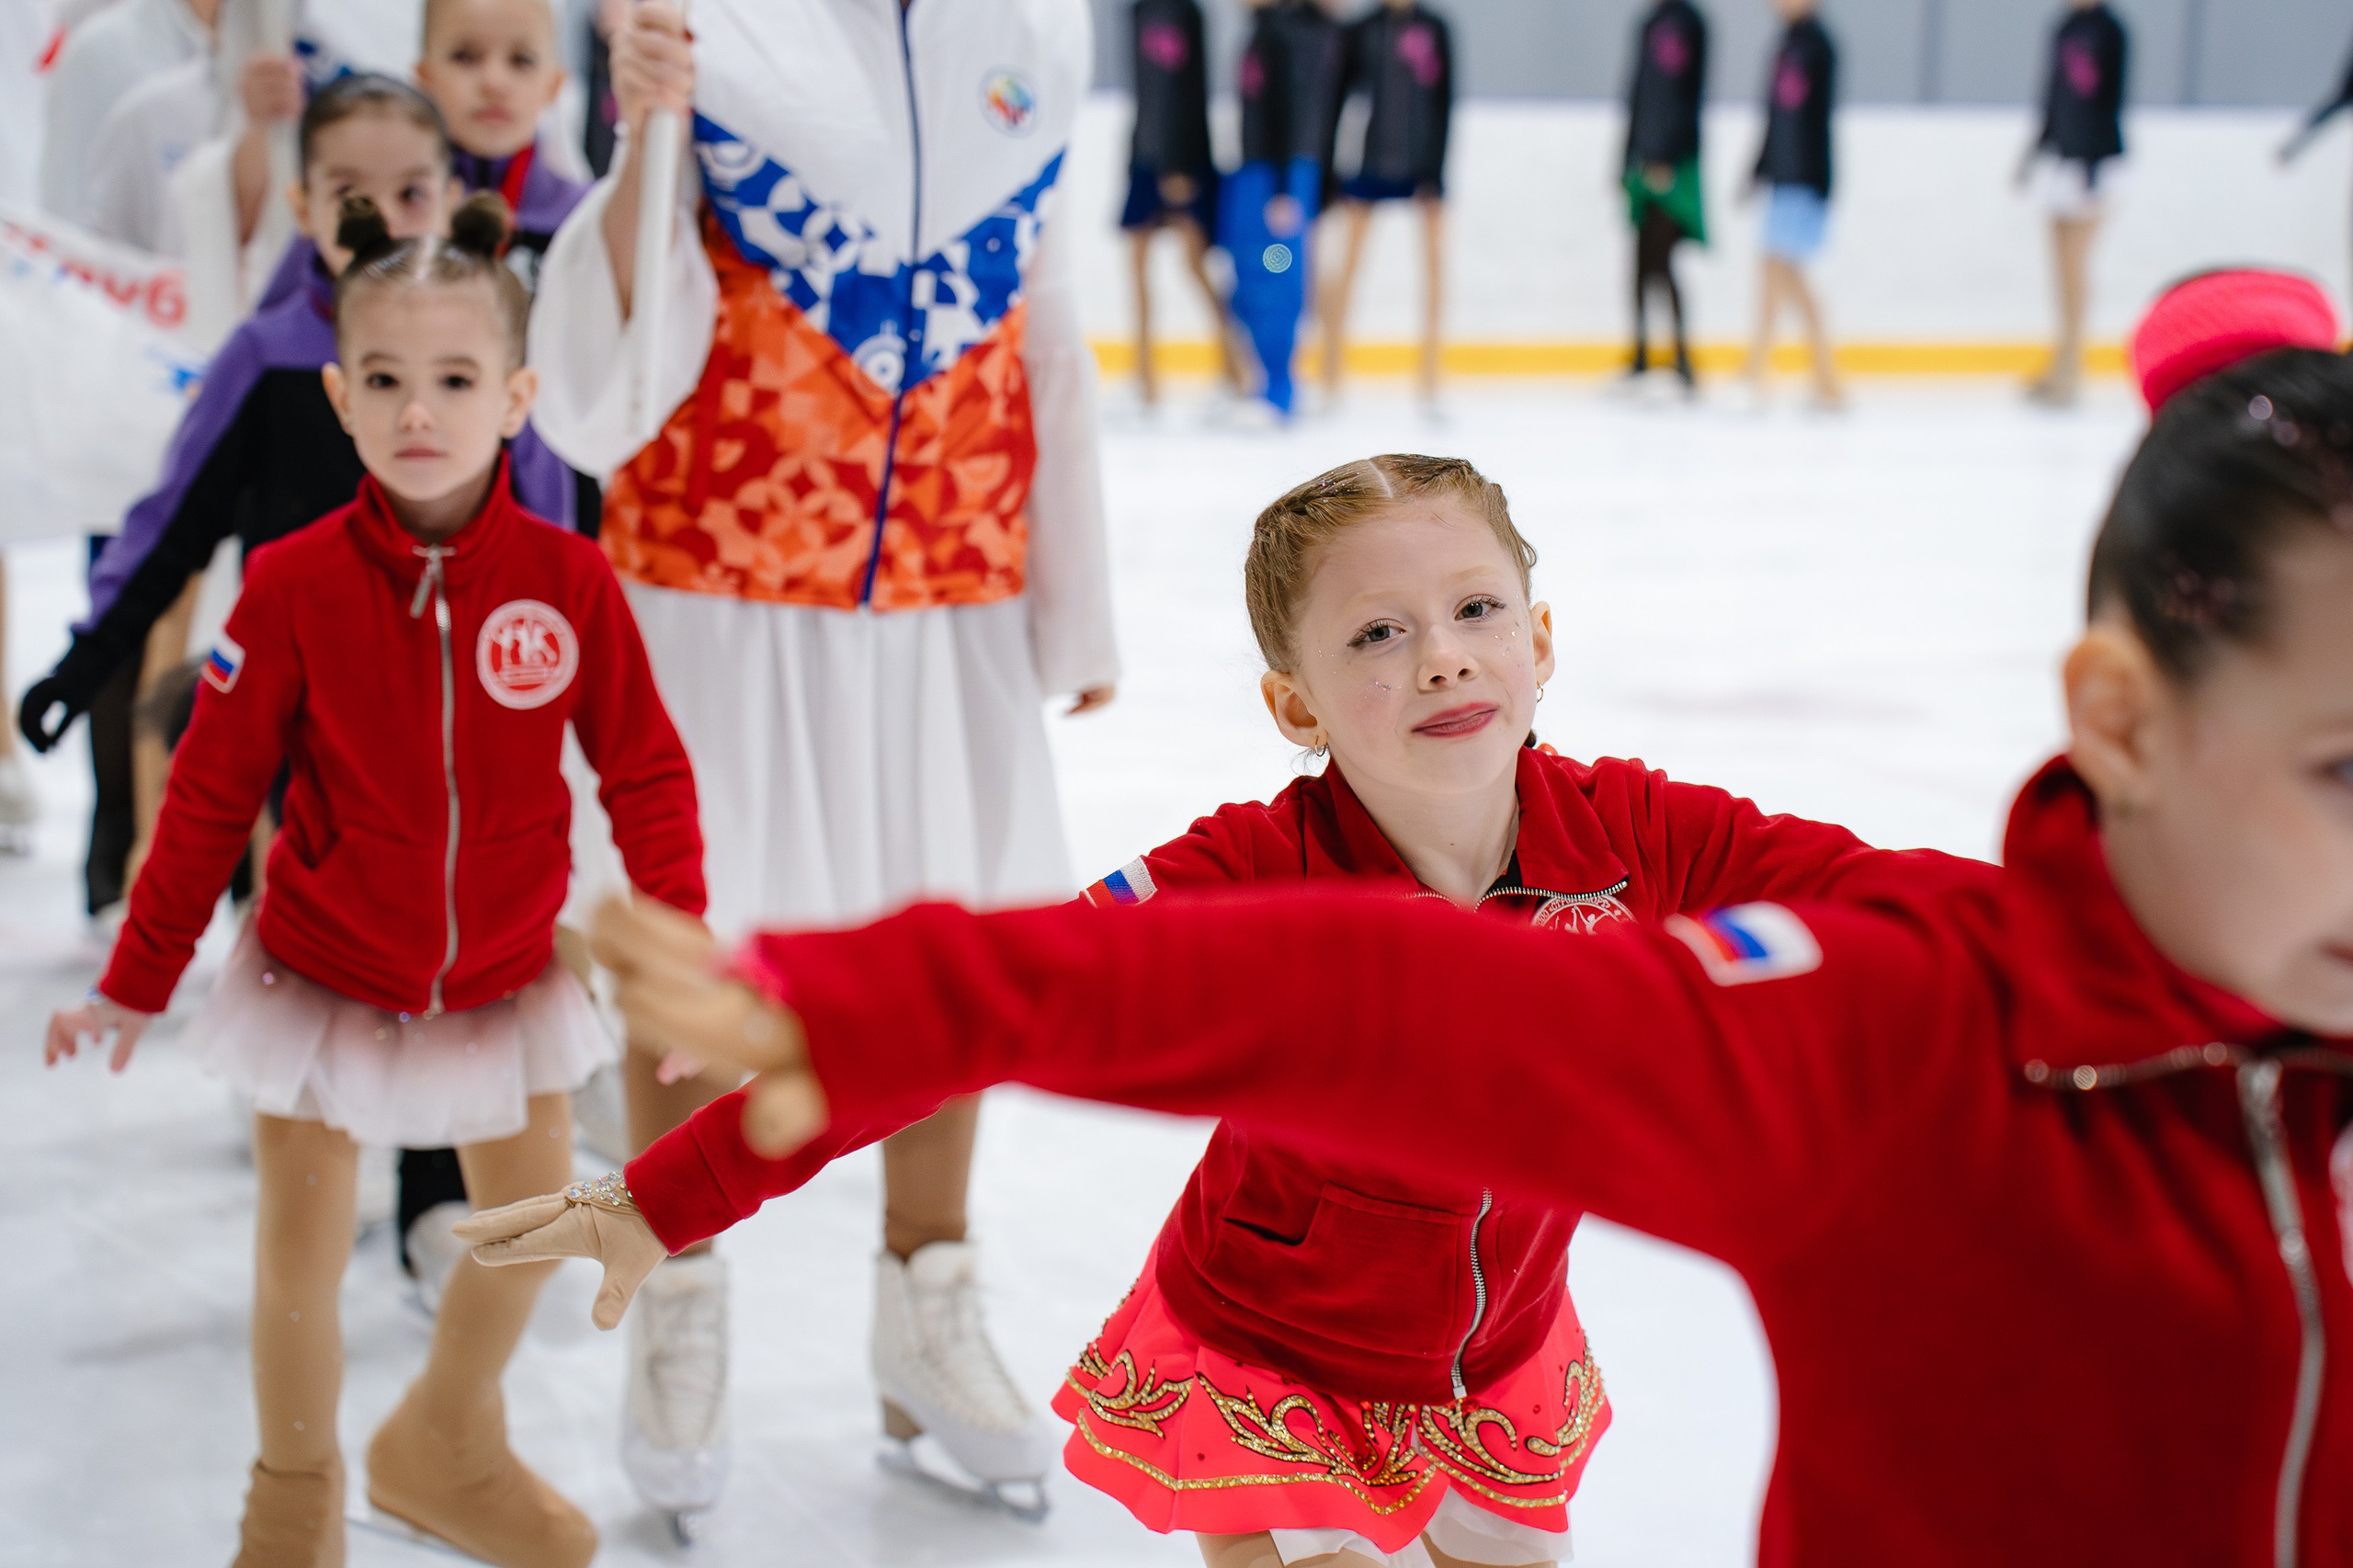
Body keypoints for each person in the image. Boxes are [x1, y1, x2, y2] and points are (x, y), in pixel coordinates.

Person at [483, 312, 2353, 1565]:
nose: (1438, 654)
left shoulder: (1643, 838)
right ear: (1295, 702)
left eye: (1471, 609)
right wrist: (669, 1194)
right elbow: (1037, 1005)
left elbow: (1895, 895)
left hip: (1491, 1354)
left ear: (1541, 633)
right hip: (1270, 1340)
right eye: (1373, 636)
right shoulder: (1249, 870)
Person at [42, 190, 704, 1568]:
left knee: (535, 1217)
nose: (421, 409)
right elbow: (211, 800)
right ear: (341, 399)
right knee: (302, 1248)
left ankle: (447, 1436)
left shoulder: (574, 582)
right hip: (319, 968)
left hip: (506, 970)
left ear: (518, 395)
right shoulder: (285, 588)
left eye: (456, 378)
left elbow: (645, 770)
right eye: (388, 381)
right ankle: (290, 1500)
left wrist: (677, 950)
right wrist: (133, 979)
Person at [524, 0, 1120, 1527]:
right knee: (693, 957)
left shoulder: (1039, 29)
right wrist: (644, 125)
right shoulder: (702, 18)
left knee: (950, 956)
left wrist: (1077, 596)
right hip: (718, 577)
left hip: (951, 585)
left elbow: (1048, 307)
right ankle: (680, 1294)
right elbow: (598, 396)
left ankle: (928, 1300)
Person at [16, 77, 577, 774]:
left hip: (458, 712)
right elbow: (174, 522)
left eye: (412, 193)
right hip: (305, 712)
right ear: (303, 207)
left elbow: (548, 529)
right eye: (352, 196)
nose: (389, 224)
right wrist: (86, 661)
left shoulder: (491, 355)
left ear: (451, 200)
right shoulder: (266, 359)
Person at [1317, 0, 1452, 410]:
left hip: (1422, 165)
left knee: (1433, 271)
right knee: (1349, 267)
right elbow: (1337, 103)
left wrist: (1437, 171)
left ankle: (1430, 374)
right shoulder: (1364, 30)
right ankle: (1332, 369)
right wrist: (1332, 173)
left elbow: (1443, 101)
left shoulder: (1434, 28)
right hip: (1371, 162)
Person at [1224, 0, 1344, 419]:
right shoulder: (1264, 29)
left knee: (1278, 275)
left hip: (1280, 177)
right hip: (1260, 172)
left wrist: (1283, 190)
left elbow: (1298, 110)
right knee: (1251, 279)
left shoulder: (1293, 32)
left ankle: (1280, 389)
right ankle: (1263, 383)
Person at [1121, 0, 1237, 409]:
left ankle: (1236, 368)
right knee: (1136, 269)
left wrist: (1180, 162)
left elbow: (1189, 90)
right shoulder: (1138, 12)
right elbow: (1147, 90)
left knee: (1195, 266)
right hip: (1143, 153)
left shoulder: (1187, 14)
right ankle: (1145, 381)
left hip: (1182, 157)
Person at [2018, 0, 2127, 408]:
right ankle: (2061, 359)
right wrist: (2031, 156)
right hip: (2063, 157)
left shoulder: (2110, 30)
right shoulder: (2064, 28)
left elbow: (2110, 96)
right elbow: (2053, 96)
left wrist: (2094, 164)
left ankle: (2072, 367)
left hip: (2096, 160)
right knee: (2059, 265)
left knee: (2077, 262)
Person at [1742, 0, 1839, 411]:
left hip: (1803, 176)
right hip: (1785, 174)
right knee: (1777, 270)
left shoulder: (1818, 46)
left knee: (1784, 271)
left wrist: (1814, 180)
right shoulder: (1787, 44)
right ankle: (1788, 372)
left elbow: (1814, 121)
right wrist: (1760, 168)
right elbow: (1776, 115)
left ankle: (1773, 371)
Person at [1619, 0, 1707, 394]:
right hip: (1642, 160)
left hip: (1675, 163)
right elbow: (1636, 95)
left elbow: (1690, 97)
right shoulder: (1648, 23)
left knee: (1663, 259)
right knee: (1639, 263)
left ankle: (1682, 356)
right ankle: (1640, 354)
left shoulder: (1691, 23)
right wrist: (1625, 158)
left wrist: (1668, 157)